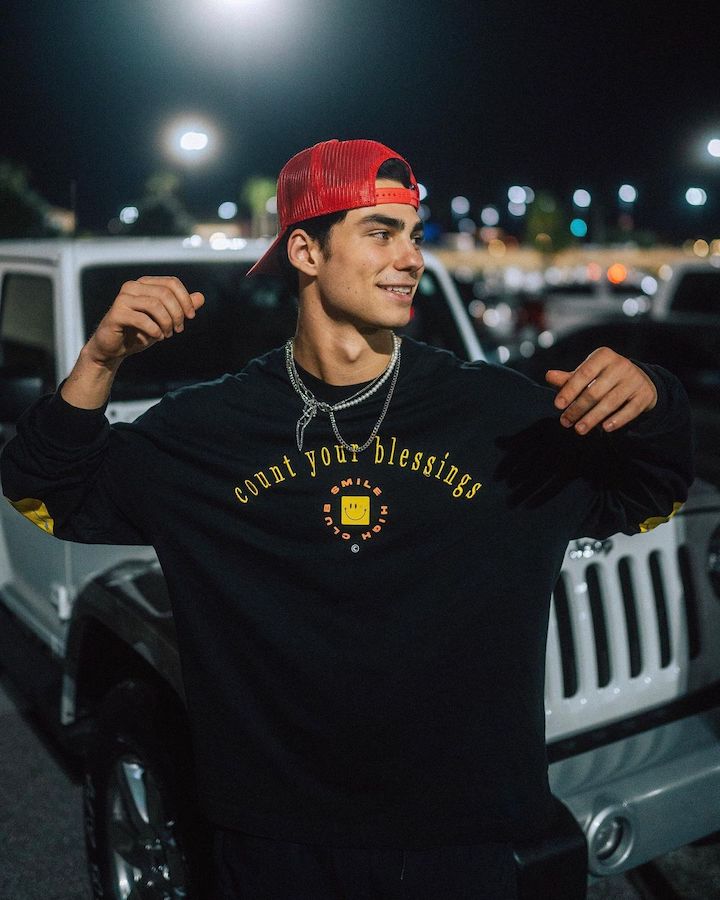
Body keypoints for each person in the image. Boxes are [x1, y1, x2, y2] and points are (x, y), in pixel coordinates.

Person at [1, 139, 693, 900]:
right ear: (304, 249)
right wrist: (99, 360)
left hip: (468, 836)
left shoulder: (498, 413)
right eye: (380, 233)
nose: (411, 259)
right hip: (276, 844)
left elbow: (647, 496)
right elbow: (44, 492)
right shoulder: (207, 431)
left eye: (415, 235)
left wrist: (655, 400)